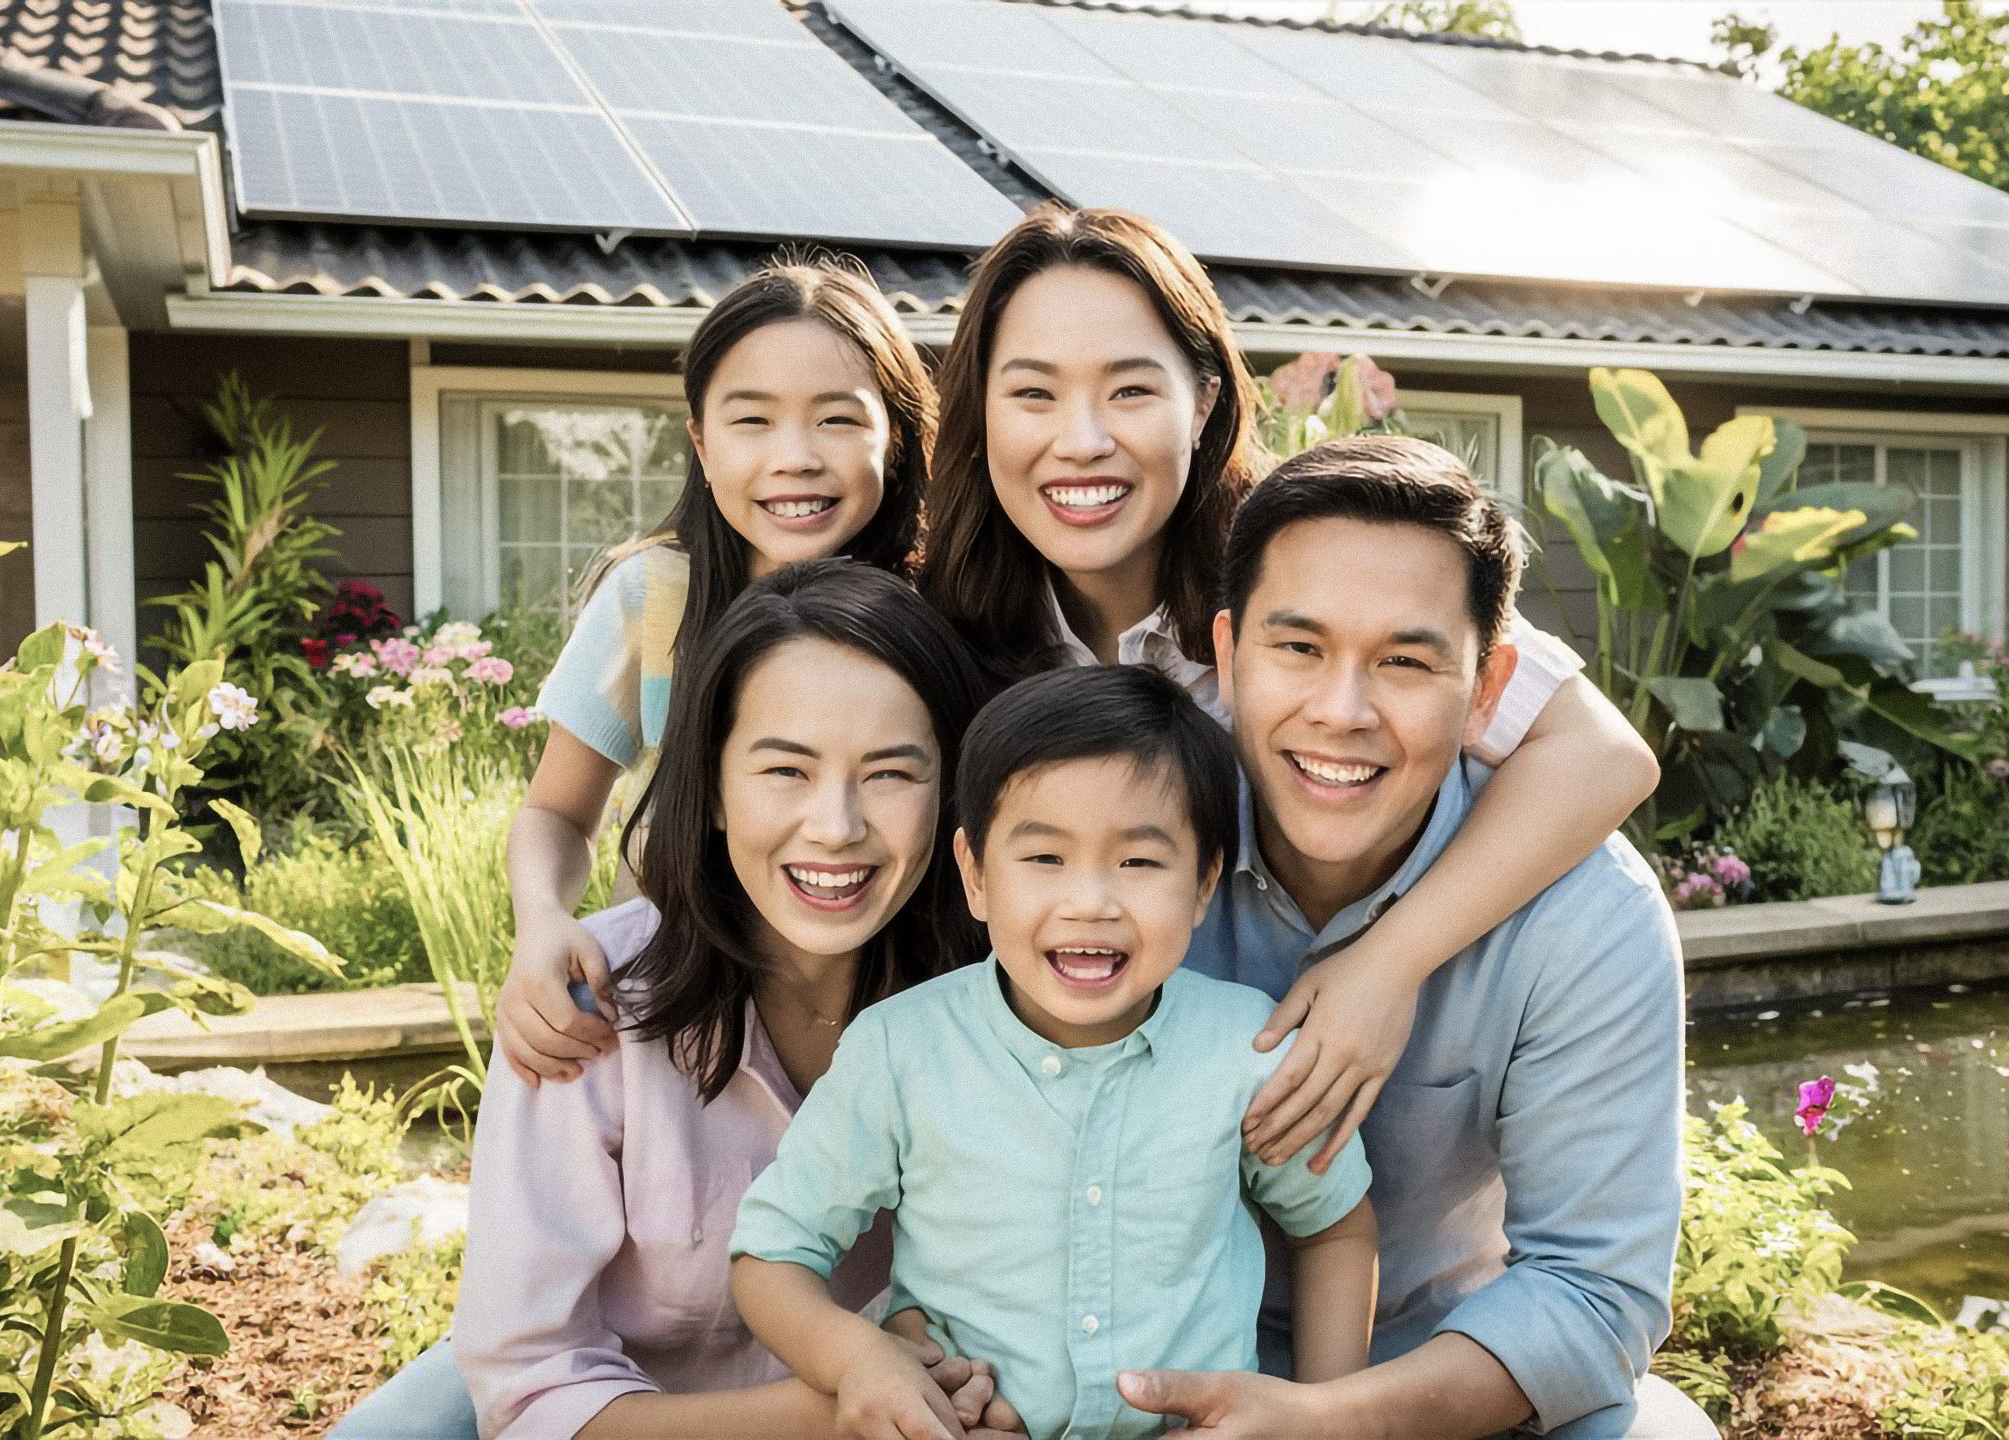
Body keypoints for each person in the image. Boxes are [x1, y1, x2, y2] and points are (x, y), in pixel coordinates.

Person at [913, 204, 1659, 1175]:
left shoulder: (1309, 577)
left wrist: (1389, 963)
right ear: (977, 413)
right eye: (1033, 394)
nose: (1082, 439)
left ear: (1206, 398)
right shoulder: (943, 627)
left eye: (1131, 390)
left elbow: (1602, 757)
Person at [329, 562, 1022, 1440]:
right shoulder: (590, 1003)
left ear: (949, 794)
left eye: (890, 774)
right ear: (717, 789)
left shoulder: (1003, 1013)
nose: (836, 826)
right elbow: (534, 1385)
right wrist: (830, 1405)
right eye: (785, 771)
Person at [1106, 437, 1710, 1440]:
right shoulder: (1127, 850)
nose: (1340, 713)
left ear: (1486, 687)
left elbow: (1596, 1294)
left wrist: (1339, 1421)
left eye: (1405, 661)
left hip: (1438, 1377)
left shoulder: (1585, 914)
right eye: (1296, 649)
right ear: (1225, 656)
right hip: (1146, 1366)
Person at [729, 666, 1380, 1440]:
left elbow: (1336, 1227)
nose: (1090, 903)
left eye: (1139, 863)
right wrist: (858, 1359)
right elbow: (772, 1254)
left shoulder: (1248, 1048)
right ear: (974, 875)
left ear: (1204, 882)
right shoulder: (902, 1050)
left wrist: (1323, 1417)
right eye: (1044, 859)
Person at [499, 258, 940, 1086]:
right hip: (687, 1020)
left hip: (890, 1018)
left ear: (898, 436)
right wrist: (543, 922)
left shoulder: (938, 611)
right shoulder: (654, 598)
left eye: (838, 420)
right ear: (700, 442)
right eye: (753, 421)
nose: (796, 457)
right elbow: (555, 814)